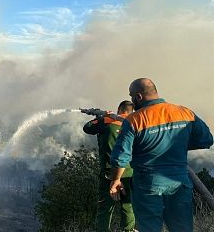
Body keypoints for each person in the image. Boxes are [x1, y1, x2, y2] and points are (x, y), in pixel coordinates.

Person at [110, 78, 213, 232]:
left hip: (147, 185)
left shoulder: (135, 120)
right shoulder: (185, 112)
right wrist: (178, 145)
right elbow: (207, 140)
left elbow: (120, 158)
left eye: (131, 96)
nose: (131, 100)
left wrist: (116, 180)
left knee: (150, 228)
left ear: (138, 97)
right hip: (179, 182)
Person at [83, 100, 136, 232]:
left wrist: (101, 117)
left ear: (119, 110)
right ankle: (129, 230)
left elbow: (87, 128)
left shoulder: (107, 122)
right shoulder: (135, 124)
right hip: (130, 172)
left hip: (109, 173)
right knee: (127, 206)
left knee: (105, 207)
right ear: (132, 112)